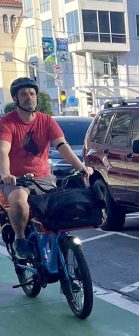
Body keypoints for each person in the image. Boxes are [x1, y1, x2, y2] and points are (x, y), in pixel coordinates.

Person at [0, 77, 93, 259]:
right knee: (19, 200)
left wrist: (82, 167)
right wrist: (5, 174)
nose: (29, 97)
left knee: (60, 208)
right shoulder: (7, 123)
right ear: (15, 99)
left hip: (43, 177)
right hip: (17, 179)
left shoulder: (47, 121)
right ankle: (20, 239)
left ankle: (65, 265)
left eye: (32, 93)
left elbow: (63, 146)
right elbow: (3, 151)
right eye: (24, 94)